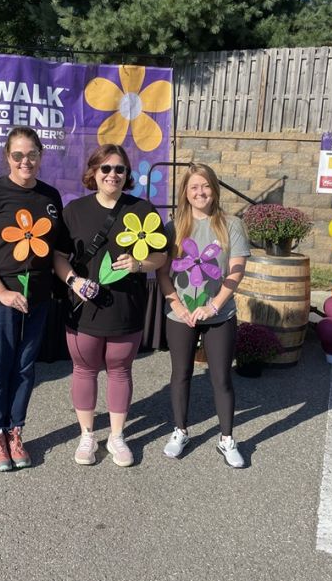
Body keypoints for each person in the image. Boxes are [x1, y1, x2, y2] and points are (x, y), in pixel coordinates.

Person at [54, 144, 167, 467]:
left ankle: (117, 436)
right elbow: (59, 258)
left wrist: (140, 264)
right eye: (105, 168)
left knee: (120, 370)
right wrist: (74, 281)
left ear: (127, 175)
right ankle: (87, 435)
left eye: (119, 169)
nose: (112, 175)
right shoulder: (75, 210)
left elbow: (162, 255)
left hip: (125, 307)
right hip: (84, 308)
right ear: (93, 172)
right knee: (84, 370)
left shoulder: (143, 209)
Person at [0, 127, 65, 472]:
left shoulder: (50, 197)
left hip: (36, 300)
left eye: (32, 154)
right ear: (8, 157)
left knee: (24, 368)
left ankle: (15, 431)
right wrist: (3, 293)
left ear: (41, 156)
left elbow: (54, 251)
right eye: (18, 155)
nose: (26, 161)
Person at [155, 163, 250, 467]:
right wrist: (179, 307)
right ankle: (180, 430)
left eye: (206, 186)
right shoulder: (173, 228)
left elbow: (237, 270)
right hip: (180, 316)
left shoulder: (231, 225)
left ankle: (226, 439)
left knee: (221, 378)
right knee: (180, 375)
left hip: (219, 315)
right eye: (194, 187)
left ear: (215, 190)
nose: (200, 192)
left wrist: (214, 305)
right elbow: (163, 274)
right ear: (185, 192)